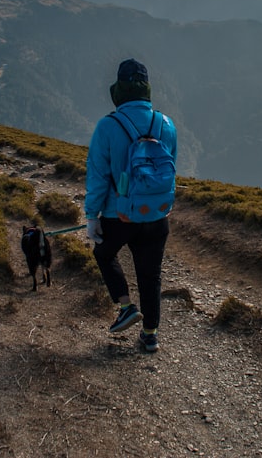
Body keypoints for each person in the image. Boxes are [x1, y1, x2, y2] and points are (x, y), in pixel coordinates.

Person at [85, 59, 178, 353]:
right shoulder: (166, 124)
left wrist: (91, 215)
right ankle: (150, 335)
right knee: (150, 274)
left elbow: (98, 175)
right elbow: (171, 167)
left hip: (119, 215)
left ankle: (125, 306)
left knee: (103, 252)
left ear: (119, 90)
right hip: (157, 214)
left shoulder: (108, 126)